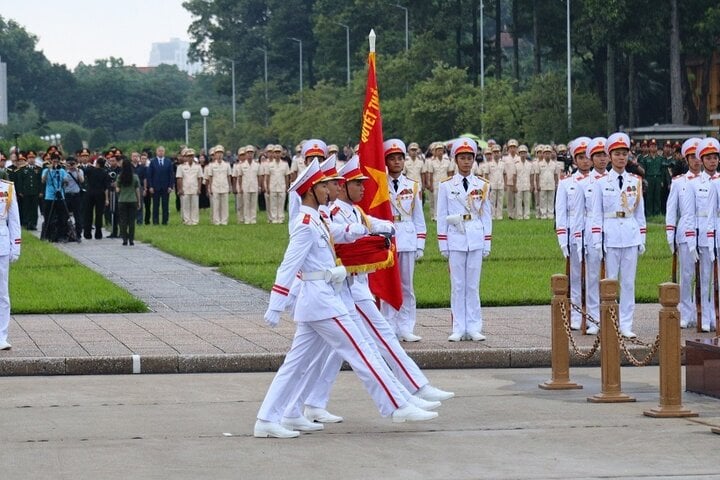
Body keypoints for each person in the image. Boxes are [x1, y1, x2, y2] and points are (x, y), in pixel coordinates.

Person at [254, 159, 437, 439]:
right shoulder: (304, 223)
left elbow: (339, 233)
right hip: (321, 302)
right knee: (360, 351)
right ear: (310, 190)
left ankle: (279, 415)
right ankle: (396, 405)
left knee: (296, 364)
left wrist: (365, 230)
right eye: (325, 186)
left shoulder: (319, 218)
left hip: (321, 300)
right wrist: (276, 303)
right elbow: (288, 266)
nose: (331, 190)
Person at [590, 132, 646, 338]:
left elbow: (640, 213)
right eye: (617, 154)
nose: (621, 158)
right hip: (611, 233)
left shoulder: (635, 181)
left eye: (624, 154)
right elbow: (596, 214)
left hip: (630, 234)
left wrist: (642, 238)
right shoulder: (601, 182)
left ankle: (626, 324)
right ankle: (610, 320)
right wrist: (597, 240)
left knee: (629, 282)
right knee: (610, 281)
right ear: (610, 155)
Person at [437, 137, 492, 342]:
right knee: (458, 285)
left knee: (473, 285)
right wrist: (443, 243)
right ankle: (459, 327)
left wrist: (487, 241)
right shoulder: (446, 186)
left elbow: (486, 215)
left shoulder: (483, 185)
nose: (466, 162)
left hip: (476, 236)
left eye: (470, 157)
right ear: (455, 160)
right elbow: (442, 215)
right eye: (462, 158)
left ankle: (474, 326)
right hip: (456, 237)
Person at [381, 138, 426, 342]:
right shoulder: (380, 186)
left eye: (400, 158)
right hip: (388, 238)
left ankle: (406, 325)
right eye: (392, 159)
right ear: (386, 161)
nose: (397, 162)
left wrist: (420, 243)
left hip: (407, 236)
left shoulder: (412, 186)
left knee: (407, 285)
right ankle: (389, 324)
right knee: (389, 284)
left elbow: (419, 217)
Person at [555, 137, 594, 333]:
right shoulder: (566, 183)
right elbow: (560, 213)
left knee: (593, 276)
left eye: (588, 157)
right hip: (573, 233)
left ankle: (593, 316)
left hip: (594, 233)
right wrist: (562, 239)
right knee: (576, 277)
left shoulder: (600, 181)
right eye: (581, 157)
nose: (585, 161)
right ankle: (577, 315)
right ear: (575, 160)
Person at [666, 138, 701, 329]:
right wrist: (670, 234)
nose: (697, 161)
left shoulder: (712, 180)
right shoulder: (679, 182)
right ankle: (686, 313)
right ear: (687, 159)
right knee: (687, 274)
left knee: (707, 275)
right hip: (686, 231)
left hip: (706, 232)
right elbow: (672, 210)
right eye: (692, 157)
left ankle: (707, 311)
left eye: (699, 157)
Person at [693, 137, 720, 332]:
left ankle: (716, 315)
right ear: (702, 160)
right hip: (704, 234)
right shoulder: (694, 183)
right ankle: (704, 316)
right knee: (705, 278)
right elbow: (690, 214)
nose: (712, 161)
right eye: (708, 158)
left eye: (715, 157)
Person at [0, 176, 20, 351]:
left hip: (2, 243)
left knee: (2, 293)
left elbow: (14, 220)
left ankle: (1, 336)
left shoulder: (8, 188)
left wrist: (16, 247)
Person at [40, 152, 69, 242]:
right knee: (48, 217)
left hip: (60, 196)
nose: (55, 163)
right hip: (49, 196)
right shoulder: (46, 170)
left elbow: (66, 182)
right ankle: (48, 235)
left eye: (57, 161)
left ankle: (61, 236)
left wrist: (61, 174)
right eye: (53, 161)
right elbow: (43, 181)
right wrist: (49, 170)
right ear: (51, 161)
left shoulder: (62, 170)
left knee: (62, 217)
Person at [424, 142, 454, 221]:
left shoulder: (447, 161)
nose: (440, 152)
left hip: (445, 183)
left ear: (443, 151)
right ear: (435, 152)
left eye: (441, 150)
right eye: (438, 150)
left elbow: (450, 173)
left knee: (446, 200)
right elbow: (430, 174)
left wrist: (451, 183)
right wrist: (430, 185)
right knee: (436, 200)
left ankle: (445, 215)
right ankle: (436, 216)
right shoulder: (432, 162)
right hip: (436, 183)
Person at [116, 157, 141, 246]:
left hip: (122, 200)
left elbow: (118, 190)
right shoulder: (135, 177)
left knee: (123, 221)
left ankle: (124, 239)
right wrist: (139, 202)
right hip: (132, 200)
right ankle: (131, 240)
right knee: (131, 221)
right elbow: (137, 190)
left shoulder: (119, 177)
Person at [176, 148, 203, 225]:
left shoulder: (198, 166)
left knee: (195, 206)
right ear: (186, 157)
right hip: (185, 188)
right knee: (185, 206)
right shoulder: (181, 167)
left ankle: (194, 221)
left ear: (193, 157)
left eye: (191, 156)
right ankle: (186, 220)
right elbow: (179, 178)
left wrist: (199, 188)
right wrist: (180, 189)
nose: (190, 158)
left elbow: (199, 178)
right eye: (188, 156)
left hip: (194, 188)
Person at [206, 145, 232, 225]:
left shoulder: (227, 165)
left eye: (221, 153)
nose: (219, 155)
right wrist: (210, 188)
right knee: (216, 205)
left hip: (224, 186)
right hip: (215, 186)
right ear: (215, 154)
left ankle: (224, 221)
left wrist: (230, 186)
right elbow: (210, 177)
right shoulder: (211, 165)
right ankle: (216, 221)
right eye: (217, 153)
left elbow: (228, 176)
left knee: (224, 205)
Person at [147, 146, 174, 225]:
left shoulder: (168, 161)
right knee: (155, 205)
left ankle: (165, 221)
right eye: (159, 151)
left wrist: (170, 186)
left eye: (162, 151)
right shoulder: (153, 162)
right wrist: (151, 186)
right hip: (155, 187)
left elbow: (171, 175)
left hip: (166, 187)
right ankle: (155, 221)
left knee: (165, 206)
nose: (161, 152)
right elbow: (150, 175)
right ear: (156, 152)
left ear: (164, 152)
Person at [266, 144, 290, 224]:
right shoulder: (269, 164)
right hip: (272, 185)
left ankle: (280, 218)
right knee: (273, 204)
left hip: (282, 185)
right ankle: (274, 218)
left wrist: (287, 186)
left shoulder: (285, 164)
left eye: (279, 152)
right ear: (273, 153)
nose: (277, 154)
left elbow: (287, 176)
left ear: (281, 153)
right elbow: (267, 176)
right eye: (276, 152)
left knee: (281, 203)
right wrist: (267, 187)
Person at [63, 156, 84, 242]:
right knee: (65, 216)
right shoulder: (64, 172)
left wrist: (76, 170)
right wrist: (66, 169)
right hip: (67, 195)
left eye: (73, 164)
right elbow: (63, 181)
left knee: (78, 215)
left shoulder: (79, 171)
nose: (71, 166)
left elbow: (82, 180)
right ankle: (65, 234)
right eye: (70, 164)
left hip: (76, 195)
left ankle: (78, 235)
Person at [513, 145, 533, 220]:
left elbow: (531, 176)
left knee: (527, 201)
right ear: (519, 154)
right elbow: (514, 176)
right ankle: (519, 216)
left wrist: (532, 185)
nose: (523, 155)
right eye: (521, 153)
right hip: (519, 185)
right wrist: (514, 186)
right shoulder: (516, 164)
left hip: (527, 184)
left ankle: (526, 215)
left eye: (524, 153)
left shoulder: (530, 164)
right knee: (518, 201)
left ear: (526, 153)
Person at [486, 146, 504, 219]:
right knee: (492, 201)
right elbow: (486, 174)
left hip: (501, 184)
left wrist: (505, 183)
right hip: (492, 185)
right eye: (495, 152)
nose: (496, 154)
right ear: (492, 154)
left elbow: (504, 174)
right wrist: (487, 185)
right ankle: (492, 215)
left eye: (497, 152)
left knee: (500, 201)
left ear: (499, 153)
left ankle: (499, 215)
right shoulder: (489, 164)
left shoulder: (502, 163)